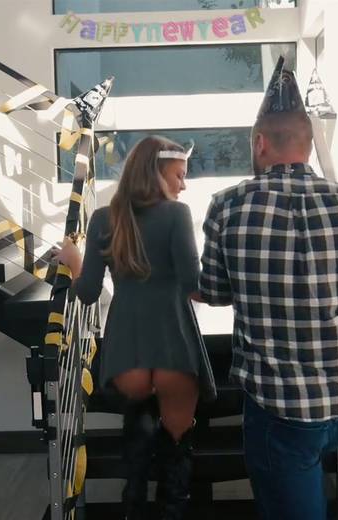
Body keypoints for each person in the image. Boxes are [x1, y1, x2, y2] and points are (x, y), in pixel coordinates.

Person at [198, 57, 338, 520]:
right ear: (310, 146)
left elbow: (215, 292)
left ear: (260, 143)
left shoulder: (228, 207)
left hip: (282, 409)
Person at [55, 135, 210, 520]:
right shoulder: (177, 215)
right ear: (157, 173)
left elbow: (87, 293)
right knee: (177, 451)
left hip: (128, 348)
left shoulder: (102, 219)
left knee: (137, 447)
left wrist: (73, 261)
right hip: (174, 341)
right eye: (179, 175)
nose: (183, 185)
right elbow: (193, 284)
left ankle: (133, 509)